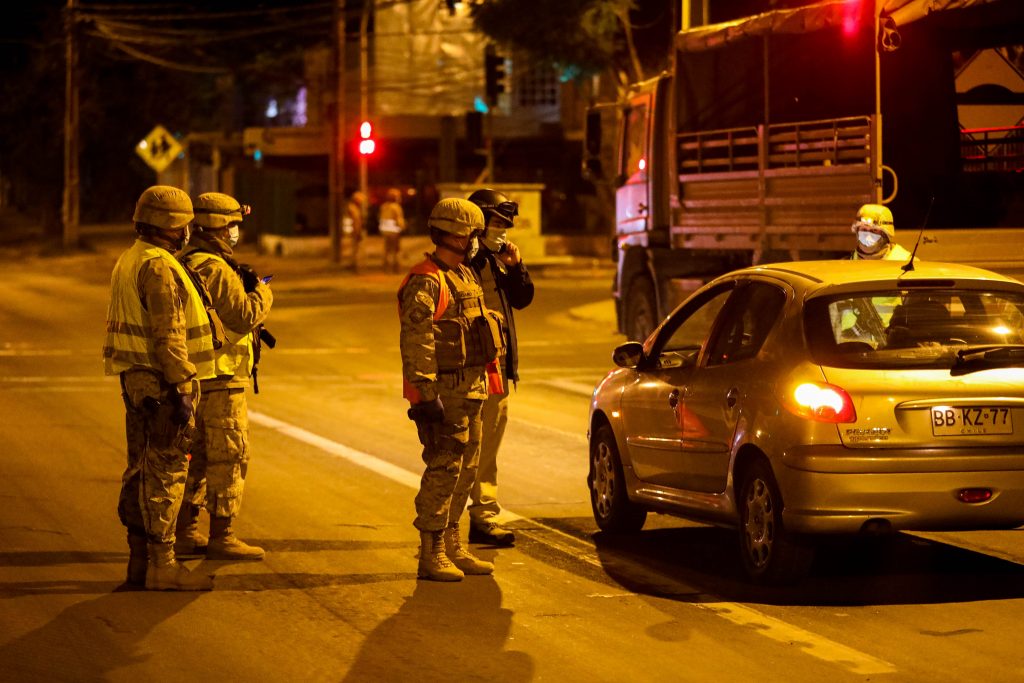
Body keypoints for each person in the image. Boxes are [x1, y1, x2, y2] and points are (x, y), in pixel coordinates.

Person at [103, 185, 215, 591]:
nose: (189, 232)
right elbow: (169, 336)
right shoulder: (159, 268)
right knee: (166, 472)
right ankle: (162, 565)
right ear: (171, 226)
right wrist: (182, 387)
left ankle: (138, 562)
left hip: (138, 381)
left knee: (140, 469)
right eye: (185, 225)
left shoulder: (130, 258)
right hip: (162, 383)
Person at [398, 198, 505, 581]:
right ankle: (432, 552)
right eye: (473, 234)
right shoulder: (427, 280)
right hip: (445, 397)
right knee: (444, 471)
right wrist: (426, 397)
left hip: (472, 392)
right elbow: (418, 342)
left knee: (467, 472)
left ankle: (453, 544)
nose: (476, 241)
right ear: (457, 236)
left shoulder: (464, 275)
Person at [176, 192, 274, 561]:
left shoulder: (186, 262)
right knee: (229, 455)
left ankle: (185, 531)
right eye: (233, 225)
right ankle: (223, 535)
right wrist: (263, 293)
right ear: (218, 227)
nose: (236, 232)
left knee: (198, 456)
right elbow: (243, 315)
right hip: (221, 376)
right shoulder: (215, 268)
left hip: (198, 375)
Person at [465, 189, 534, 546]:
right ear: (478, 223)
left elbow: (522, 299)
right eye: (497, 222)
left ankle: (483, 516)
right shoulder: (464, 260)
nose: (502, 230)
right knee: (465, 445)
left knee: (489, 442)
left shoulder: (498, 258)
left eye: (506, 224)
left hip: (498, 364)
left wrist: (516, 266)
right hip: (469, 366)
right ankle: (446, 526)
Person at [379, 187, 406, 273]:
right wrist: (402, 227)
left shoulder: (384, 206)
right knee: (396, 250)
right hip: (394, 231)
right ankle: (396, 268)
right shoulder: (396, 207)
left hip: (385, 231)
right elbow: (399, 220)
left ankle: (386, 267)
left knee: (387, 250)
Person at [343, 190, 367, 272]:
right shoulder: (353, 209)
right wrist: (358, 233)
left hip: (353, 231)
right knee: (356, 250)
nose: (361, 203)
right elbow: (356, 222)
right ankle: (355, 266)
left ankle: (353, 265)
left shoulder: (352, 207)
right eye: (360, 201)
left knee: (354, 249)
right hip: (355, 232)